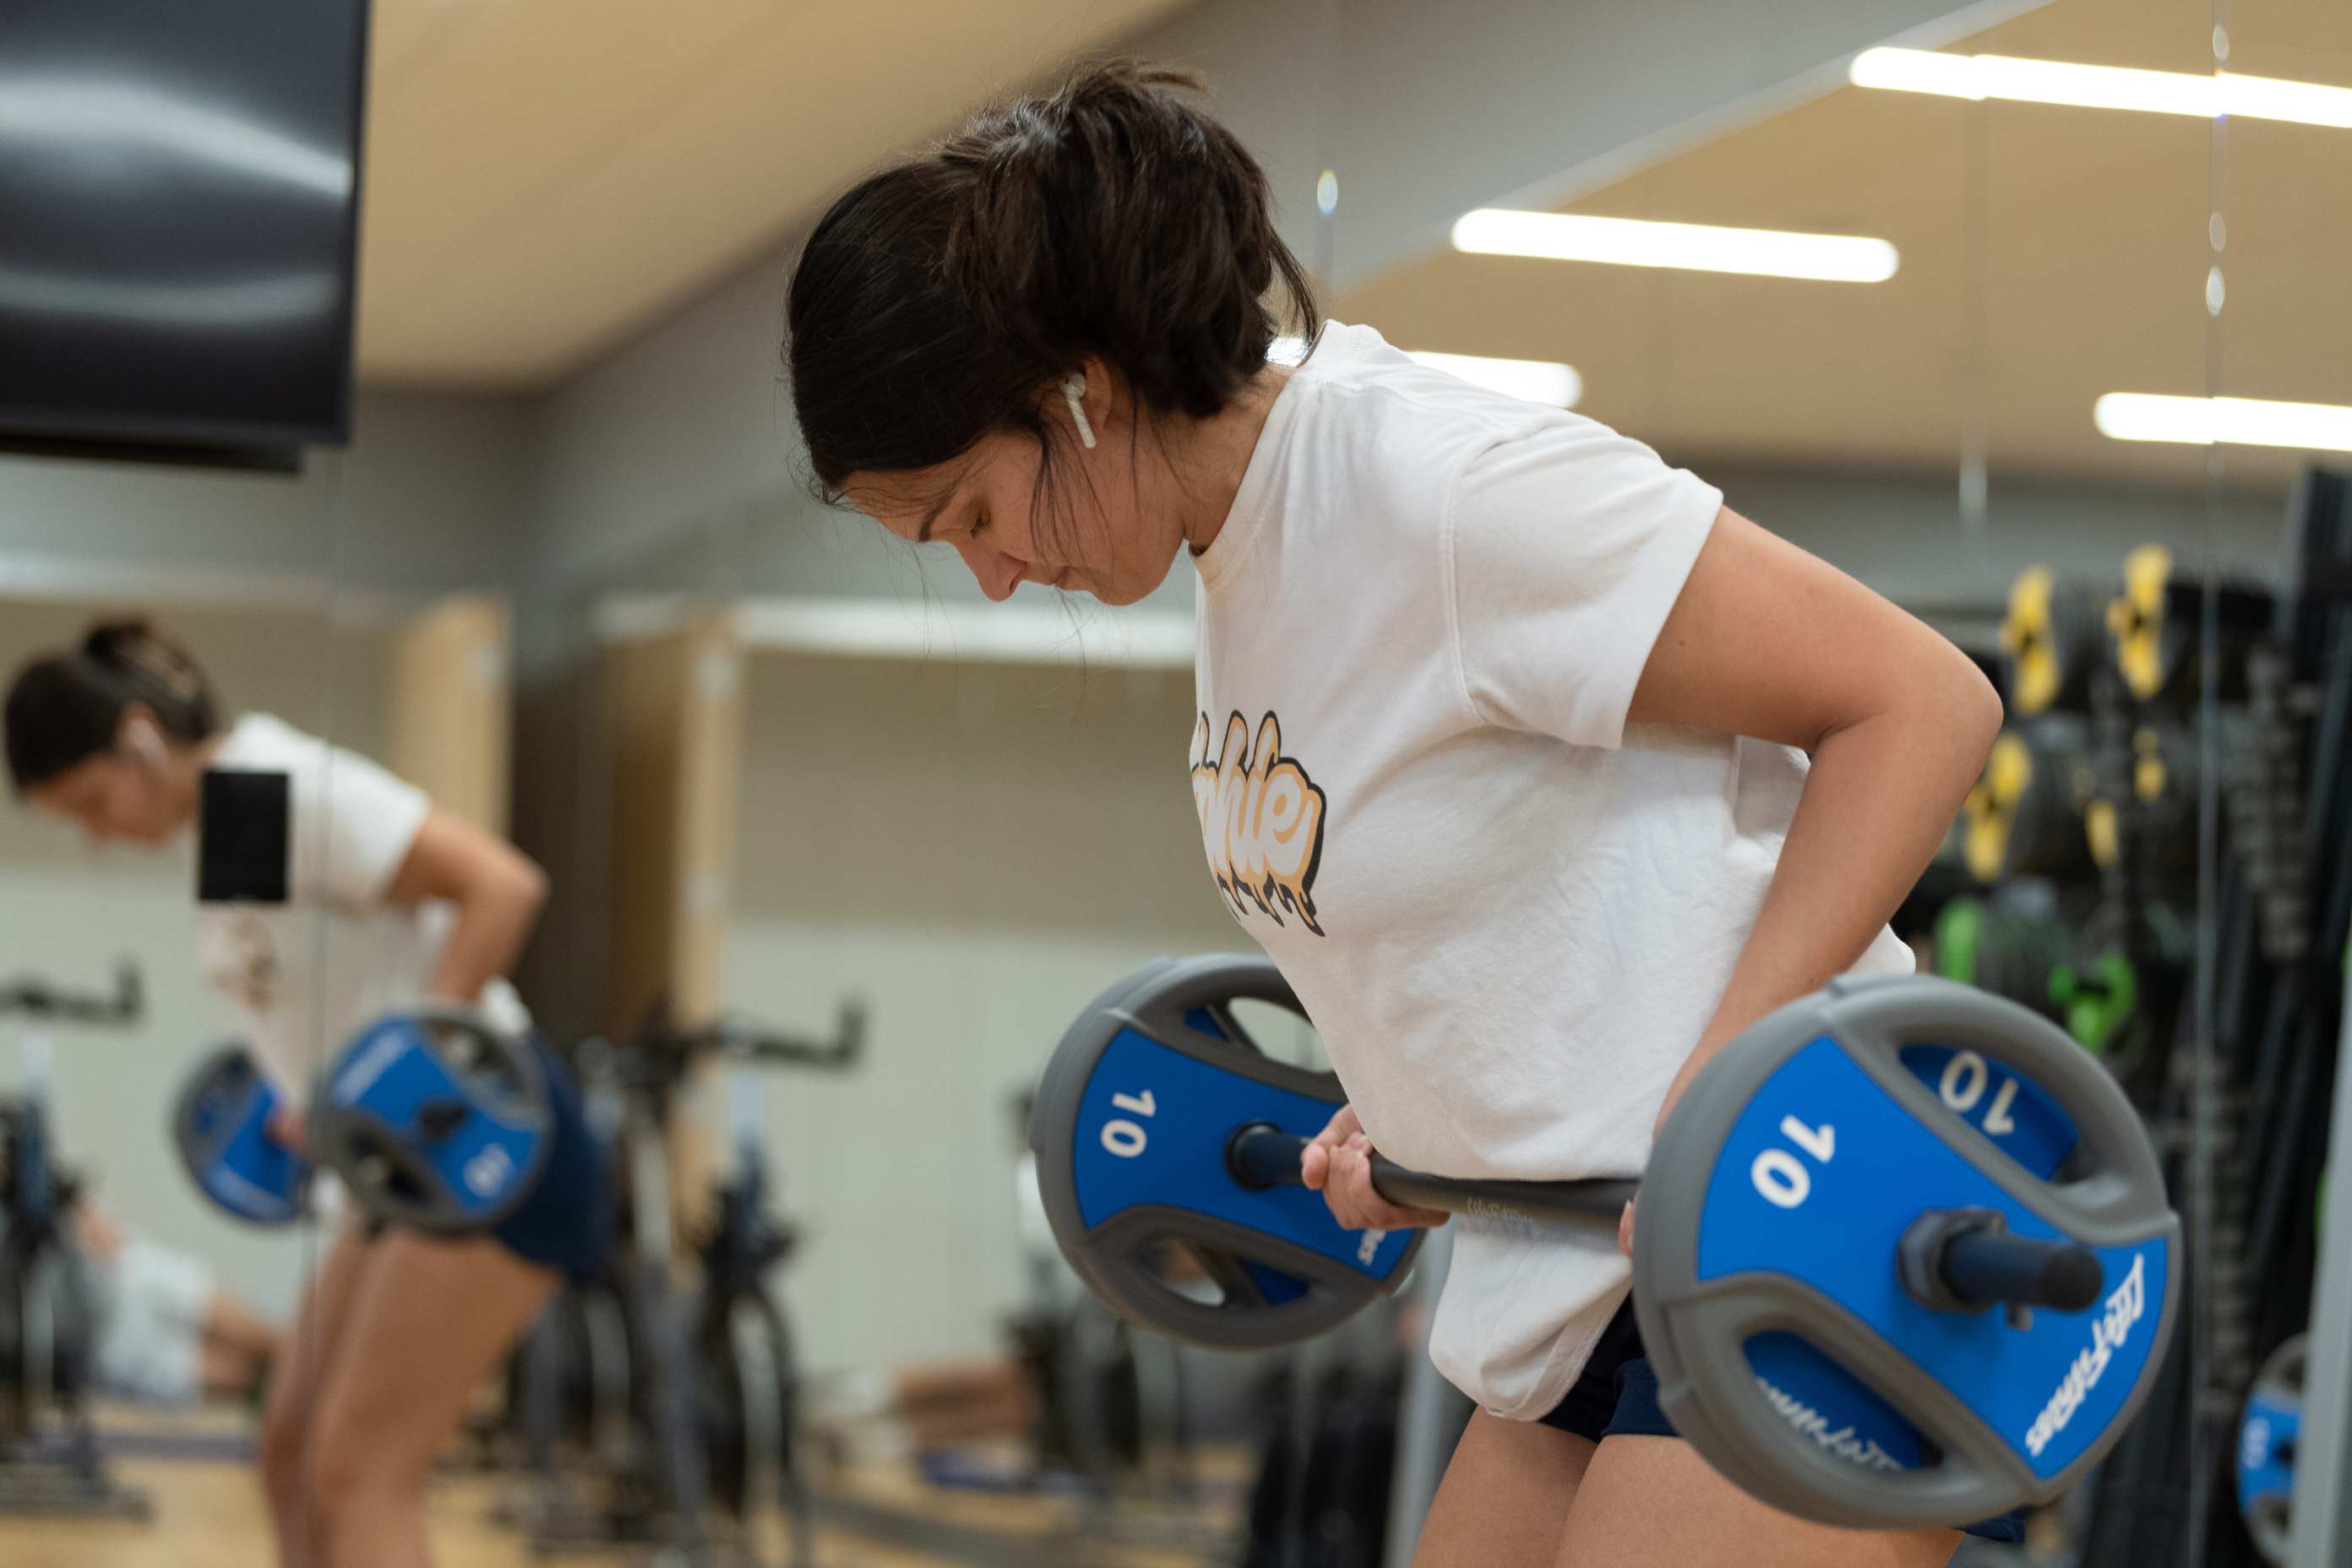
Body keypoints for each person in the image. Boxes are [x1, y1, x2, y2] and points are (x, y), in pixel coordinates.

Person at [786, 62, 2003, 1568]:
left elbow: (1920, 705)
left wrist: (1716, 1101)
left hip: (1805, 1212)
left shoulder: (1439, 494)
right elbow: (1497, 881)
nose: (985, 573)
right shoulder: (1249, 564)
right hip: (1588, 1263)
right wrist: (1419, 1107)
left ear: (1077, 398)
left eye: (971, 513)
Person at [4, 619, 605, 1568]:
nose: (97, 833)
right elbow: (319, 988)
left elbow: (502, 884)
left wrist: (401, 1074)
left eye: (90, 800)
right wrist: (314, 1098)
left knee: (357, 1471)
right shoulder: (229, 824)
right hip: (401, 1163)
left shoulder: (273, 780)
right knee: (288, 1447)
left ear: (138, 735)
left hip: (493, 1141)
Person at [73, 1202, 280, 1406]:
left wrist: (88, 1222)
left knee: (268, 1343)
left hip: (121, 1274)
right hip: (100, 1349)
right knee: (248, 1380)